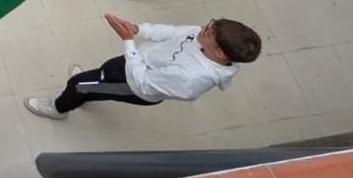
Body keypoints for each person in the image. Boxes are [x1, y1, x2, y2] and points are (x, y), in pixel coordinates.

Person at [24, 13, 261, 120]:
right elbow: (173, 32)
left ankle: (59, 108)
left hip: (132, 85)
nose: (202, 29)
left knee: (77, 84)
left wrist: (128, 41)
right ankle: (91, 86)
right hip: (133, 61)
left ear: (220, 53)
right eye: (210, 25)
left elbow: (142, 82)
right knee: (98, 77)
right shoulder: (203, 36)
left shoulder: (191, 80)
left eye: (209, 32)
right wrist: (139, 30)